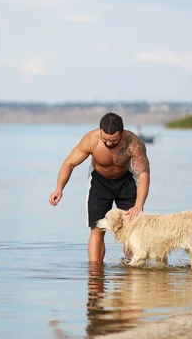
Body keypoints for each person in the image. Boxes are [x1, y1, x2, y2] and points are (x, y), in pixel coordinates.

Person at [48, 112, 151, 263]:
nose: (109, 144)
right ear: (100, 131)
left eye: (113, 140)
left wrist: (138, 205)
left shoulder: (133, 143)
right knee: (97, 228)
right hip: (99, 183)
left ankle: (132, 269)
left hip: (125, 181)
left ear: (121, 134)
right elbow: (69, 164)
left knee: (132, 228)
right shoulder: (91, 140)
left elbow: (143, 175)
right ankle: (95, 272)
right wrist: (59, 188)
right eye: (106, 140)